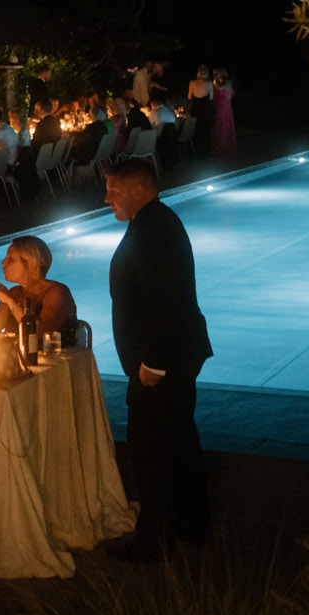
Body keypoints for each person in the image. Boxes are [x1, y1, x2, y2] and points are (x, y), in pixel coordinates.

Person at [103, 161, 212, 560]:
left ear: (139, 190)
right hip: (171, 356)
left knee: (153, 449)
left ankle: (155, 540)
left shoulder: (152, 231)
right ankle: (191, 526)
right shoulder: (157, 223)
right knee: (179, 441)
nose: (106, 198)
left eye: (114, 191)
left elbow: (167, 302)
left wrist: (153, 363)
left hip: (161, 362)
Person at [0, 234, 78, 338]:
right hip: (20, 354)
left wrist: (10, 302)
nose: (3, 262)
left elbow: (39, 334)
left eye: (10, 259)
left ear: (29, 264)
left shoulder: (58, 293)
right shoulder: (14, 292)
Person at [210, 68, 238, 161]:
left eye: (216, 73)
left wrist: (214, 82)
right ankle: (219, 149)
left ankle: (224, 151)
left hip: (224, 107)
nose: (214, 75)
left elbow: (221, 89)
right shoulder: (218, 82)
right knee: (219, 127)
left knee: (223, 127)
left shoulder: (226, 82)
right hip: (220, 107)